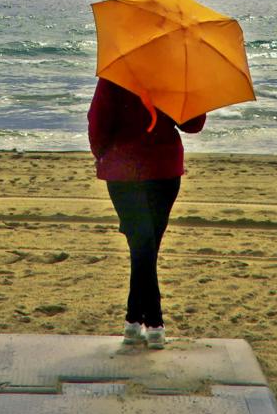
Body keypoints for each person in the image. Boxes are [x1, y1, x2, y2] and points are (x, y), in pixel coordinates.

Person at [87, 76, 206, 349]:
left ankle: (136, 323)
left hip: (129, 171)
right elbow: (192, 124)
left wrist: (103, 157)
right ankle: (152, 322)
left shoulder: (115, 74)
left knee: (144, 246)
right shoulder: (173, 71)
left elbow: (98, 123)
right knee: (146, 246)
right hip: (161, 169)